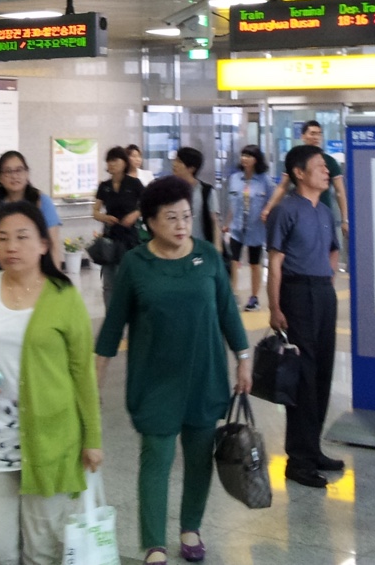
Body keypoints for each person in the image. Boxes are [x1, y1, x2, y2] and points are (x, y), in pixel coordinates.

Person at [96, 177, 252, 565]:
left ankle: (190, 528)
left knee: (199, 460)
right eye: (172, 218)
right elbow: (113, 326)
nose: (182, 225)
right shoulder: (136, 264)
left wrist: (244, 359)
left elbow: (227, 312)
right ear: (149, 223)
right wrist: (94, 380)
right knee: (156, 460)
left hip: (205, 376)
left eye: (186, 216)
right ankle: (154, 544)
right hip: (155, 382)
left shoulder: (207, 257)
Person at [0, 202, 102, 565]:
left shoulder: (64, 296)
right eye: (2, 238)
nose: (11, 246)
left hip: (51, 439)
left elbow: (82, 371)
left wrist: (92, 439)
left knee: (42, 550)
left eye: (22, 237)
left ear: (43, 245)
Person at [267, 144, 344, 489]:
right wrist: (274, 306)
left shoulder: (325, 213)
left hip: (323, 293)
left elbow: (332, 252)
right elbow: (276, 262)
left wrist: (327, 283)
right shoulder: (287, 210)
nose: (326, 171)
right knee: (303, 376)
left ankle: (313, 450)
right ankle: (297, 460)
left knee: (323, 371)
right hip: (296, 294)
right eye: (319, 166)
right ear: (299, 173)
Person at [260, 121, 349, 237]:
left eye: (319, 134)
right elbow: (282, 186)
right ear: (303, 136)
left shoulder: (330, 161)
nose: (316, 137)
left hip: (322, 212)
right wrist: (268, 208)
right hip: (299, 213)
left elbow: (340, 191)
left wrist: (345, 219)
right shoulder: (295, 160)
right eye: (312, 133)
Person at [0, 151, 63, 269]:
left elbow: (53, 244)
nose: (14, 176)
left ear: (27, 173)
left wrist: (56, 280)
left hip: (37, 271)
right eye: (8, 171)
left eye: (19, 170)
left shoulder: (42, 201)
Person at [225, 146, 275, 311]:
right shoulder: (234, 179)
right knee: (234, 260)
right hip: (237, 226)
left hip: (256, 228)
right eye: (243, 155)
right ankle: (232, 293)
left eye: (249, 156)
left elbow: (273, 201)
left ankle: (254, 297)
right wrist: (227, 223)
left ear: (256, 159)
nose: (245, 158)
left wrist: (267, 214)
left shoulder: (265, 181)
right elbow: (233, 204)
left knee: (255, 263)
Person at [92, 146, 141, 308]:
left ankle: (128, 318)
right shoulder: (104, 186)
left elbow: (148, 203)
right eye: (109, 160)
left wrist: (135, 214)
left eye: (115, 160)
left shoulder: (134, 183)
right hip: (110, 238)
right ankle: (111, 319)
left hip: (129, 238)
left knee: (126, 280)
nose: (111, 164)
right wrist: (105, 217)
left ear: (124, 162)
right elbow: (95, 212)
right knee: (108, 282)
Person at [169, 146, 216, 246]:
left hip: (201, 246)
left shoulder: (206, 191)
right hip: (176, 247)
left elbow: (214, 221)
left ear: (191, 168)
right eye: (175, 160)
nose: (174, 164)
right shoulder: (169, 190)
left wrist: (218, 247)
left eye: (179, 162)